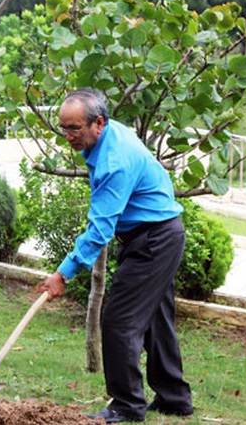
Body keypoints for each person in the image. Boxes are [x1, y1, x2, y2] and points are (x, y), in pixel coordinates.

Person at [41, 89, 193, 423]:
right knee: (155, 319)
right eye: (64, 128)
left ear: (98, 122)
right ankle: (174, 398)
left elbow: (99, 231)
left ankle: (127, 405)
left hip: (153, 241)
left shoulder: (114, 163)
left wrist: (63, 273)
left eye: (74, 129)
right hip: (158, 233)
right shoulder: (108, 135)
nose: (68, 136)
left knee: (118, 321)